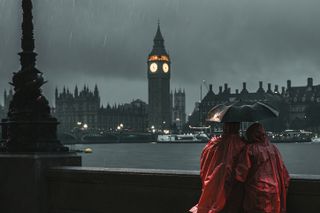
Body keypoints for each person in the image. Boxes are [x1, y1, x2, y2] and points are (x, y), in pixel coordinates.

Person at [190, 122, 245, 213]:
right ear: (237, 127)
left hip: (211, 183)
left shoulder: (213, 144)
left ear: (224, 127)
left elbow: (204, 162)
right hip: (231, 189)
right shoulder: (240, 144)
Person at [235, 123, 290, 213]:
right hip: (275, 190)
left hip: (256, 192)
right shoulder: (273, 148)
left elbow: (241, 174)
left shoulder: (249, 149)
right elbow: (283, 172)